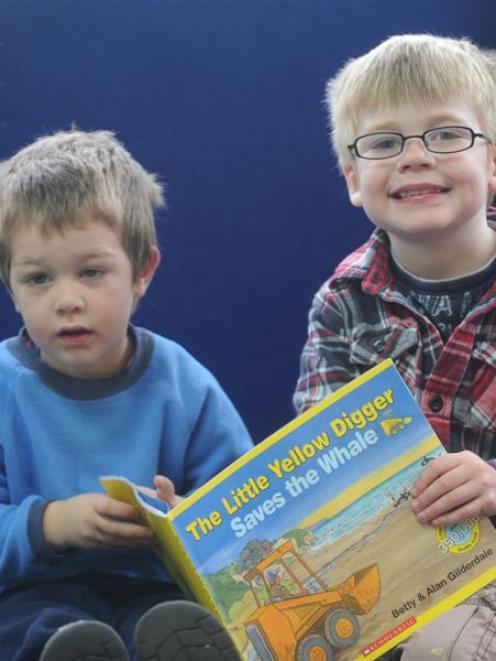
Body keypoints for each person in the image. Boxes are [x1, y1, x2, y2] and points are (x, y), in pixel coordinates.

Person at [0, 129, 253, 661]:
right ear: (10, 285)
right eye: (39, 279)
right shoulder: (5, 384)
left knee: (188, 624)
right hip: (34, 591)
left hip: (157, 592)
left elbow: (245, 511)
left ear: (142, 272)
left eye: (92, 273)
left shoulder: (184, 383)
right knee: (29, 626)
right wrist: (49, 524)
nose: (68, 300)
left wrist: (187, 519)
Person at [293, 34, 496, 659]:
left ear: (493, 162)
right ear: (354, 179)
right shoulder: (341, 303)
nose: (414, 158)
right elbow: (320, 458)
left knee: (446, 646)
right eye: (384, 143)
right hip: (395, 566)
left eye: (445, 134)